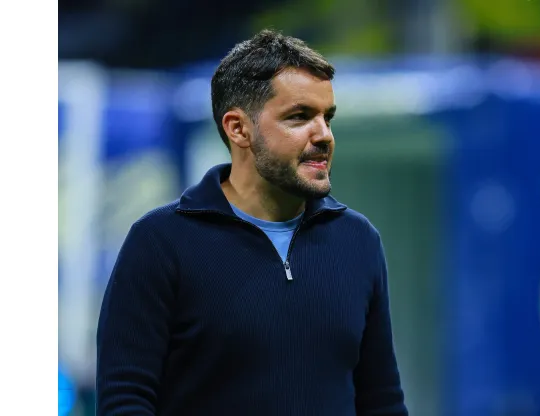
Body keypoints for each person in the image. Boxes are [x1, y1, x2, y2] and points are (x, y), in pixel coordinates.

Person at [96, 29, 407, 415]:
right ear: (238, 128)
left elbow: (382, 402)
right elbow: (125, 401)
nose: (324, 135)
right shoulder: (161, 243)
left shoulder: (358, 240)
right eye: (299, 117)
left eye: (327, 117)